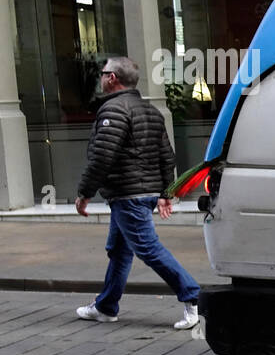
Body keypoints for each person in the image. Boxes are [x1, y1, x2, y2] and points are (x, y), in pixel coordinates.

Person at [74, 56, 201, 330]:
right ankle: (106, 307)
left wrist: (84, 193)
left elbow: (102, 157)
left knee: (148, 249)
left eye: (103, 72)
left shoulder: (113, 111)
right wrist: (166, 192)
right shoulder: (150, 111)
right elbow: (167, 156)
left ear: (112, 78)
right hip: (140, 194)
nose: (101, 76)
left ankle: (192, 296)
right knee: (120, 251)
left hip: (127, 195)